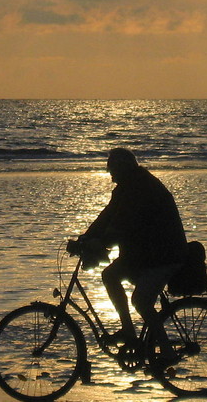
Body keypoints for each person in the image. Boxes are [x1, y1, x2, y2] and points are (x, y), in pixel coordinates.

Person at [76, 147, 188, 348]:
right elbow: (108, 216)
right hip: (145, 254)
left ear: (122, 168)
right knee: (110, 275)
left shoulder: (140, 188)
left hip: (163, 255)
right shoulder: (127, 187)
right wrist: (86, 238)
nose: (111, 176)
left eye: (113, 171)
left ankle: (166, 350)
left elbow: (125, 223)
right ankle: (128, 331)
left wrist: (102, 243)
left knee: (141, 301)